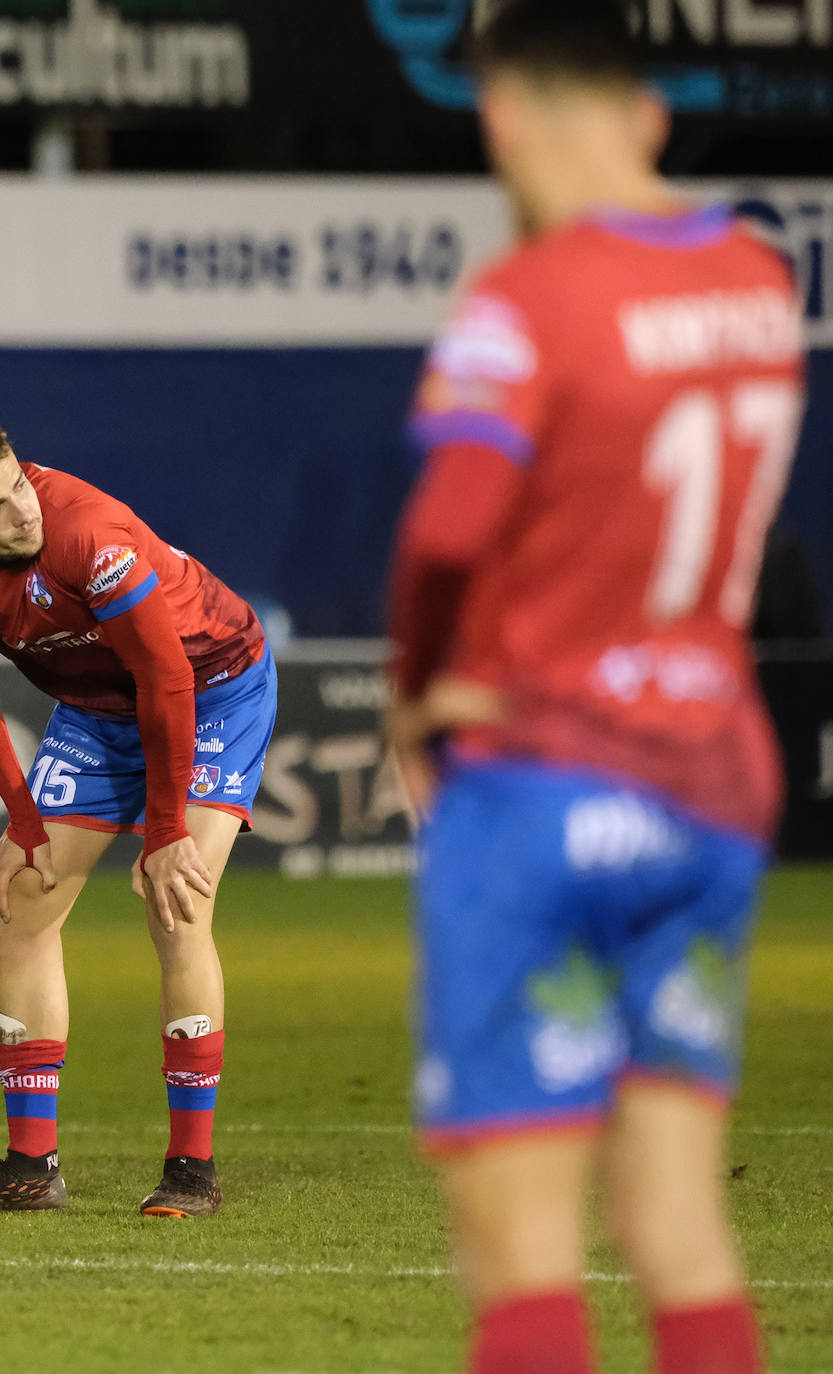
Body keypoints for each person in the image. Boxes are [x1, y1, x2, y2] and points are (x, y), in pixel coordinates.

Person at [385, 3, 805, 1371]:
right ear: (650, 111)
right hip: (713, 779)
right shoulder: (754, 276)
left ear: (498, 115)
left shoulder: (530, 296)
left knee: (522, 1242)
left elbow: (449, 530)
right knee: (678, 1218)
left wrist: (417, 691)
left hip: (546, 778)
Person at [0, 420, 276, 1217]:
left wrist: (168, 832)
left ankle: (191, 1168)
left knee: (178, 905)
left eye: (18, 490)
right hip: (96, 710)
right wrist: (21, 818)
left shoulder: (86, 533)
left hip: (211, 687)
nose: (20, 514)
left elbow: (165, 676)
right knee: (21, 900)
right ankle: (31, 1167)